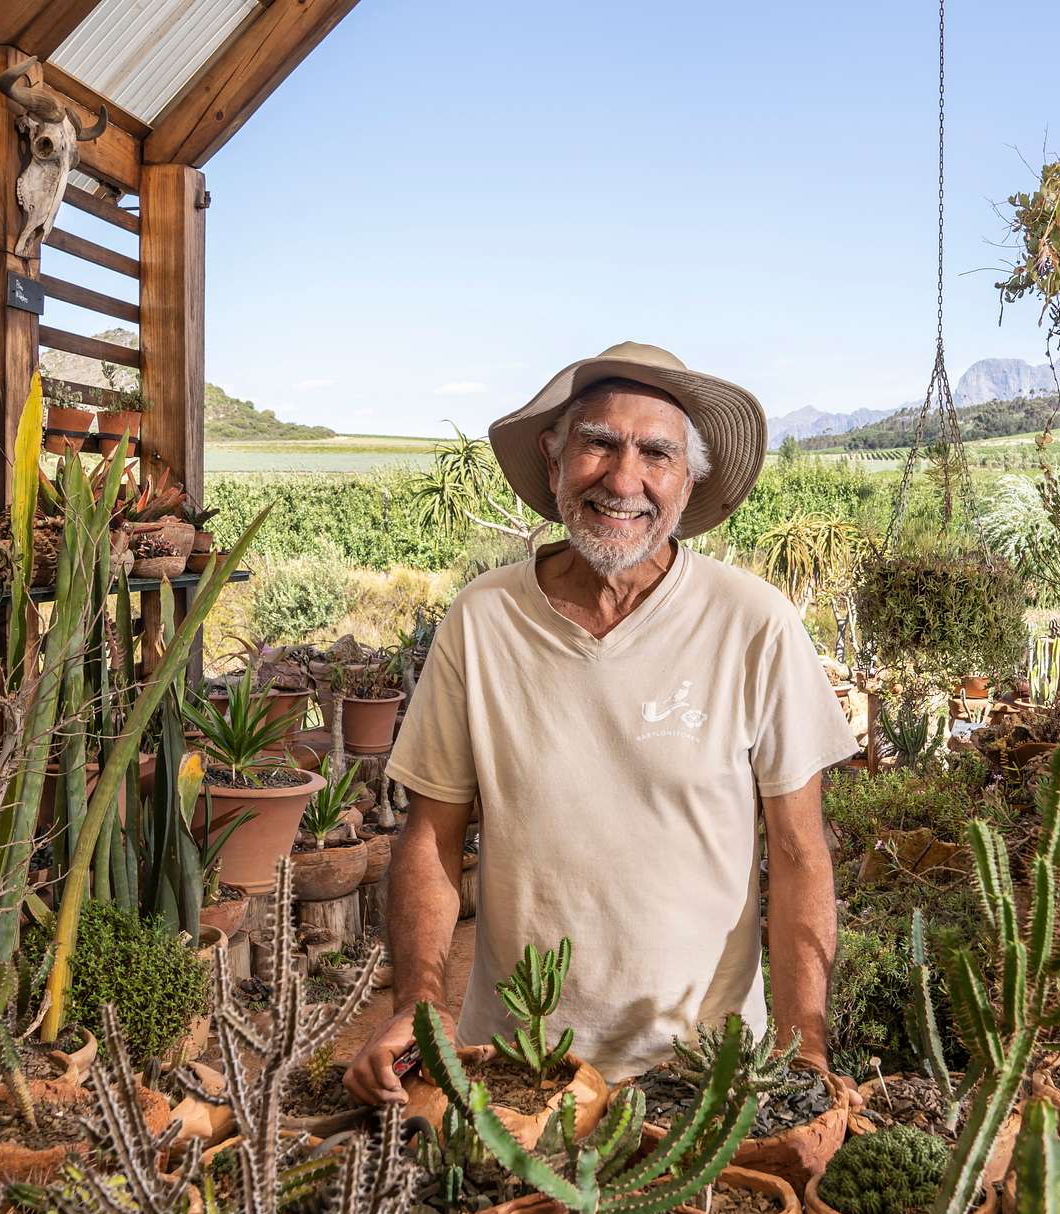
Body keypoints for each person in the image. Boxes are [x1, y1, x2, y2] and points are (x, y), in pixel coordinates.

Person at [344, 342, 858, 1105]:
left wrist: (804, 1048)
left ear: (689, 480)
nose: (622, 480)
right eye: (599, 443)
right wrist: (420, 1006)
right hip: (517, 1068)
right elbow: (431, 837)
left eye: (656, 453)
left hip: (707, 1076)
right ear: (554, 458)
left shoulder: (754, 624)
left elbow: (798, 852)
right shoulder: (483, 620)